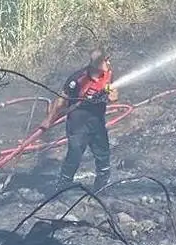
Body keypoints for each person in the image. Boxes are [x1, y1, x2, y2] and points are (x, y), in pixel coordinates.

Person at [41, 49, 118, 188]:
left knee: (103, 154)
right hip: (77, 123)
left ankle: (101, 187)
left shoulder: (109, 75)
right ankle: (63, 187)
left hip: (97, 122)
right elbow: (61, 100)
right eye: (106, 61)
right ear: (97, 63)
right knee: (74, 155)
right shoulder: (77, 79)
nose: (109, 63)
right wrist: (49, 120)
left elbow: (113, 94)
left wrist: (112, 95)